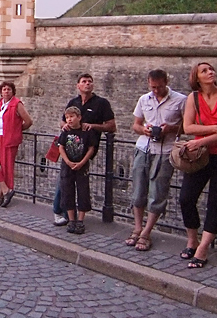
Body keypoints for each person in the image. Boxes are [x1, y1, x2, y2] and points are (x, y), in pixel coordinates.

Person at [178, 62, 217, 269]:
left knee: (215, 201)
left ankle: (203, 248)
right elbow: (188, 126)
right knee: (186, 198)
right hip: (200, 156)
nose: (210, 72)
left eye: (211, 69)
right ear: (196, 77)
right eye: (204, 70)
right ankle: (192, 240)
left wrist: (201, 139)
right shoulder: (193, 98)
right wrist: (215, 128)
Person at [128, 70, 186, 252]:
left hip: (165, 151)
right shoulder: (144, 99)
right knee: (138, 191)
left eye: (159, 87)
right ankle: (137, 227)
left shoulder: (180, 100)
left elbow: (188, 126)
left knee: (157, 193)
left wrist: (171, 128)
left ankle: (146, 232)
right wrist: (144, 130)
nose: (156, 91)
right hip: (143, 148)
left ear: (166, 82)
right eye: (152, 87)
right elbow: (136, 124)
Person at [52, 73, 116, 226]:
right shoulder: (73, 102)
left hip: (87, 149)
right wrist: (64, 125)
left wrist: (93, 126)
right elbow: (62, 121)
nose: (87, 84)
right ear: (78, 85)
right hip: (69, 148)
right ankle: (60, 212)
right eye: (84, 81)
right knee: (64, 182)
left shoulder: (101, 103)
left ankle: (75, 218)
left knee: (81, 186)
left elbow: (111, 126)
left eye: (90, 81)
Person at [0, 81, 32, 208]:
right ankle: (6, 191)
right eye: (4, 89)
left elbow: (28, 121)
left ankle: (0, 196)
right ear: (1, 92)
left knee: (6, 167)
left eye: (9, 89)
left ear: (13, 92)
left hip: (9, 139)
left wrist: (16, 130)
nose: (6, 91)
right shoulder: (1, 103)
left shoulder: (17, 104)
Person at [58, 107, 98, 234]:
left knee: (83, 191)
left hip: (82, 166)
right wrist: (68, 162)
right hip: (67, 166)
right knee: (67, 191)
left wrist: (82, 162)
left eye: (72, 117)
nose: (69, 120)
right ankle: (71, 220)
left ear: (79, 117)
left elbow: (91, 148)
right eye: (67, 117)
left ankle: (80, 220)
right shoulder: (66, 131)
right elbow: (61, 147)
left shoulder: (86, 132)